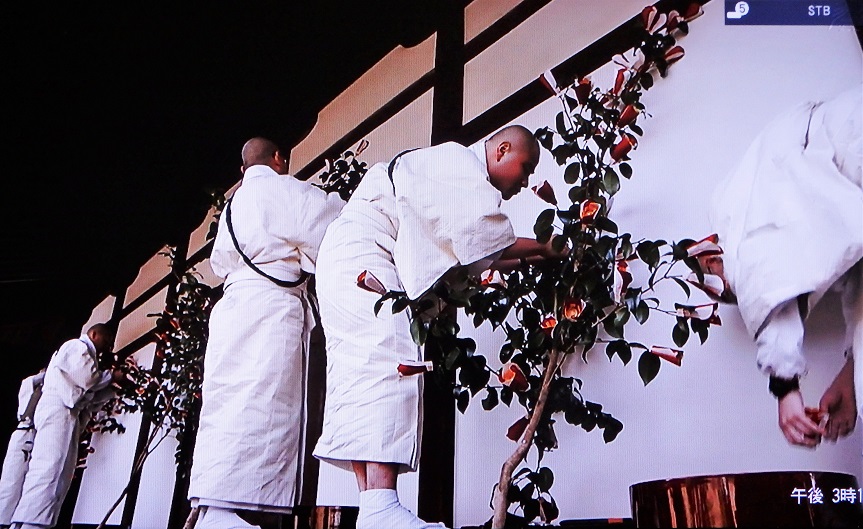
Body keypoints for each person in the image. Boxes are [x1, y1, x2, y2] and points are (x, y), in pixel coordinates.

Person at [312, 125, 565, 529]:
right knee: (390, 363)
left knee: (363, 373)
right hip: (364, 253)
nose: (526, 180)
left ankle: (374, 505)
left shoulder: (454, 171)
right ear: (502, 150)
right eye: (526, 166)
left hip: (346, 257)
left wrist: (537, 256)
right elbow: (487, 239)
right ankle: (380, 506)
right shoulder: (460, 163)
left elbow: (477, 252)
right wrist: (544, 247)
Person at [188, 137, 344, 529]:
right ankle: (231, 511)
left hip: (232, 308)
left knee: (226, 404)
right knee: (264, 401)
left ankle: (213, 506)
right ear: (278, 158)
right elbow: (334, 228)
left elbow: (220, 262)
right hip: (270, 309)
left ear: (243, 169)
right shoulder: (285, 190)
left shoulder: (231, 208)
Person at [709, 87, 862, 448]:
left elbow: (761, 276)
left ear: (713, 258)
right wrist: (852, 374)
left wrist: (785, 386)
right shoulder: (813, 206)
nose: (739, 294)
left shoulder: (733, 219)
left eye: (727, 287)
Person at [10, 324, 118, 529]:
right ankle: (31, 522)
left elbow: (88, 393)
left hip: (63, 412)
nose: (110, 345)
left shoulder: (84, 355)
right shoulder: (77, 347)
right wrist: (111, 377)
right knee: (50, 466)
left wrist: (110, 388)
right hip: (58, 410)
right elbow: (89, 378)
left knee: (60, 468)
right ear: (94, 334)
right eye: (107, 339)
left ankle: (35, 521)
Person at [0, 370, 45, 527]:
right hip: (23, 434)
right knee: (11, 480)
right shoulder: (33, 384)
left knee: (29, 483)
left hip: (37, 435)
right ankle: (3, 520)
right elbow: (31, 381)